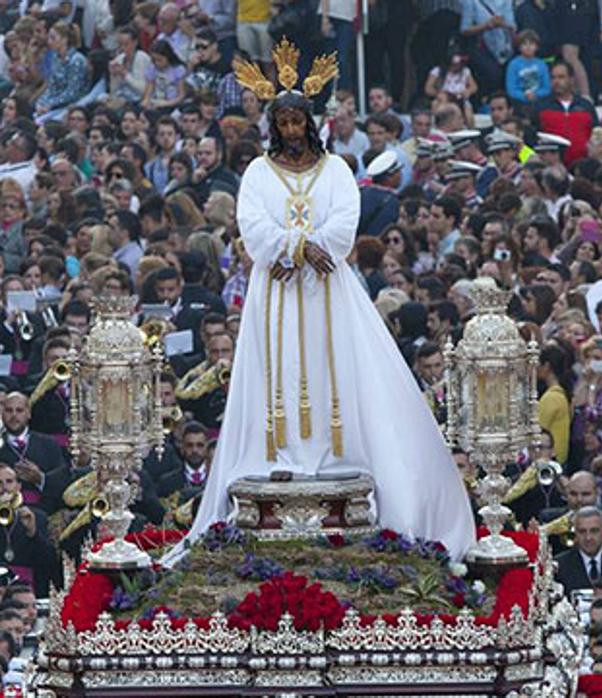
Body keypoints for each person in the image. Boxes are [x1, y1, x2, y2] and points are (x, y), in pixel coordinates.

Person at [174, 41, 475, 560]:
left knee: (335, 366)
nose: (291, 131)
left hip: (326, 285)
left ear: (310, 123)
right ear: (274, 125)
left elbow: (344, 217)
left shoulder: (335, 169)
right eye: (283, 123)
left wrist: (320, 247)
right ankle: (282, 453)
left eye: (298, 122)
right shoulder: (258, 173)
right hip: (279, 288)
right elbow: (252, 223)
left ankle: (337, 454)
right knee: (279, 369)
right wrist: (293, 246)